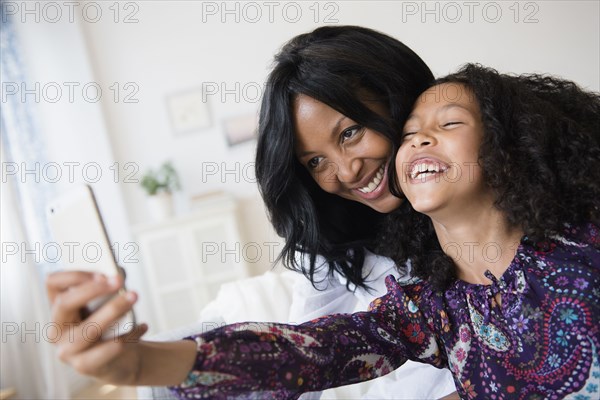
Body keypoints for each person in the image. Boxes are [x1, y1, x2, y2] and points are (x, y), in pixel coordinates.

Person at [46, 26, 456, 399]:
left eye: (350, 132)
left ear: (399, 98)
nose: (346, 171)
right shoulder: (346, 245)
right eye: (314, 161)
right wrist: (145, 362)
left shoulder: (484, 218)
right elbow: (311, 351)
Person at [160, 64, 598, 399]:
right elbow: (314, 350)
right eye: (409, 134)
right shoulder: (429, 305)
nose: (420, 140)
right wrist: (154, 362)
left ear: (508, 142)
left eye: (448, 124)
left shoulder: (581, 240)